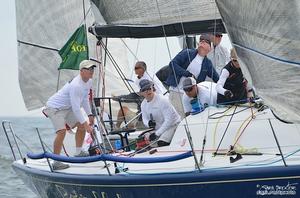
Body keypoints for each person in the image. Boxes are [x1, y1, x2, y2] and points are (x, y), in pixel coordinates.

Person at [43, 60, 96, 170]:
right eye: (89, 69)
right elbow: (76, 108)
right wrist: (86, 124)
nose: (91, 71)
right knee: (62, 131)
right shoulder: (76, 85)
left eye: (92, 69)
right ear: (81, 71)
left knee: (81, 125)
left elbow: (85, 99)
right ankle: (56, 162)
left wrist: (90, 115)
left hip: (67, 107)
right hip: (54, 108)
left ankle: (78, 152)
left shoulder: (89, 81)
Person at [165, 34, 219, 118]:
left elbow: (217, 78)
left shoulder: (207, 63)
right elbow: (172, 64)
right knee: (177, 119)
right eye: (201, 40)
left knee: (191, 119)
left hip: (191, 95)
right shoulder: (187, 52)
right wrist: (187, 73)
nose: (203, 42)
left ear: (210, 48)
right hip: (176, 92)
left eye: (206, 41)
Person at [115, 61, 167, 129]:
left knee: (125, 113)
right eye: (145, 89)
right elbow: (134, 95)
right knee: (125, 111)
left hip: (146, 119)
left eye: (136, 68)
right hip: (142, 117)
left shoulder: (149, 79)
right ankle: (118, 128)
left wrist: (118, 98)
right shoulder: (138, 81)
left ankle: (122, 128)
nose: (134, 69)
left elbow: (133, 96)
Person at [139, 79, 181, 147]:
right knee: (141, 141)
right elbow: (144, 119)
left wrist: (157, 134)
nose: (147, 91)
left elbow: (169, 120)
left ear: (152, 88)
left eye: (149, 88)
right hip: (159, 129)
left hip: (173, 125)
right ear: (141, 93)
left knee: (161, 143)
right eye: (144, 90)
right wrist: (148, 123)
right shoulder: (143, 104)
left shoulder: (163, 100)